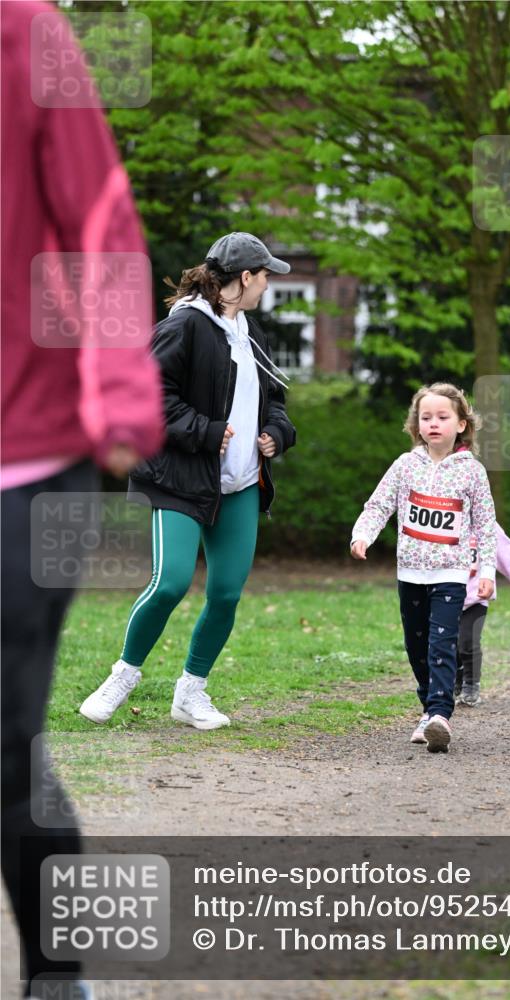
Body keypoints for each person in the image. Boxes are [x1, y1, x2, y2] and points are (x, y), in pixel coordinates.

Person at [1, 3, 164, 998]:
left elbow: (99, 217)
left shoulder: (26, 33)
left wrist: (118, 385)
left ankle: (58, 976)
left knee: (3, 735)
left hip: (27, 455)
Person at [79, 233, 297, 730]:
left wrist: (276, 434)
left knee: (225, 594)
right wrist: (206, 432)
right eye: (265, 276)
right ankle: (123, 676)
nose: (268, 285)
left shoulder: (250, 331)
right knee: (170, 582)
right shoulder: (185, 326)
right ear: (245, 277)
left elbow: (276, 399)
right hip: (177, 479)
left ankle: (190, 693)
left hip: (240, 484)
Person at [350, 383, 496, 753]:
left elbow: (485, 525)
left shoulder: (472, 472)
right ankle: (428, 710)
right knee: (416, 647)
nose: (433, 423)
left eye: (442, 417)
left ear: (462, 424)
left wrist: (489, 573)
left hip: (451, 573)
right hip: (410, 573)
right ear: (416, 425)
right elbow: (379, 505)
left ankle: (439, 714)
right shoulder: (405, 465)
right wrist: (363, 534)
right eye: (425, 417)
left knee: (441, 644)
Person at [454, 523, 510, 709]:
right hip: (446, 595)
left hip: (476, 597)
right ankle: (455, 681)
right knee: (449, 644)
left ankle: (471, 685)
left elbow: (503, 547)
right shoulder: (448, 518)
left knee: (468, 642)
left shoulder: (485, 523)